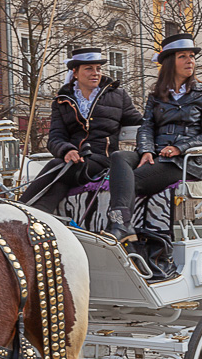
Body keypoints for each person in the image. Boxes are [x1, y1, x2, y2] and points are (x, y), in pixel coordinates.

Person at [21, 47, 143, 241]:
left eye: (98, 68)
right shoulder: (62, 101)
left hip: (103, 160)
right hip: (74, 161)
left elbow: (140, 123)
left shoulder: (117, 95)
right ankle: (36, 216)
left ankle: (19, 208)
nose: (95, 73)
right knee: (60, 175)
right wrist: (66, 149)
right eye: (89, 68)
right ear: (75, 73)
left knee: (56, 166)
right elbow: (55, 138)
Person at [127, 33, 202, 280]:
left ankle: (147, 251)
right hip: (159, 159)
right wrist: (146, 150)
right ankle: (140, 249)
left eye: (191, 56)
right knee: (120, 173)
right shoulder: (156, 95)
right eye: (183, 56)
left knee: (133, 182)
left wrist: (180, 147)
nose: (190, 61)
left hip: (186, 163)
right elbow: (146, 126)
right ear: (170, 62)